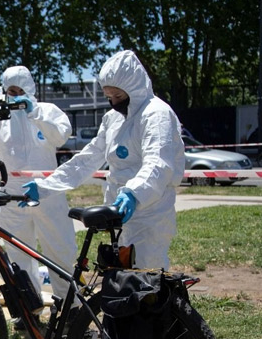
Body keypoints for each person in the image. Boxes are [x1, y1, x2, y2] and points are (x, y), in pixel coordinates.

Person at [23, 51, 185, 270]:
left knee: (148, 276)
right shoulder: (113, 119)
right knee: (123, 279)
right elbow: (87, 160)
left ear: (133, 88)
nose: (113, 102)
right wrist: (45, 186)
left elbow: (158, 163)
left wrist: (133, 193)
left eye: (117, 96)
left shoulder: (156, 114)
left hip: (150, 214)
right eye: (109, 97)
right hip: (119, 213)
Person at [0, 65, 77, 311]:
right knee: (18, 256)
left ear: (30, 89)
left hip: (47, 195)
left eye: (20, 90)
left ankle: (68, 309)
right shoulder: (1, 120)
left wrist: (36, 113)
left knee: (59, 251)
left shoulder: (47, 111)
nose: (15, 96)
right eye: (11, 91)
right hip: (12, 198)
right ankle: (28, 308)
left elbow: (61, 136)